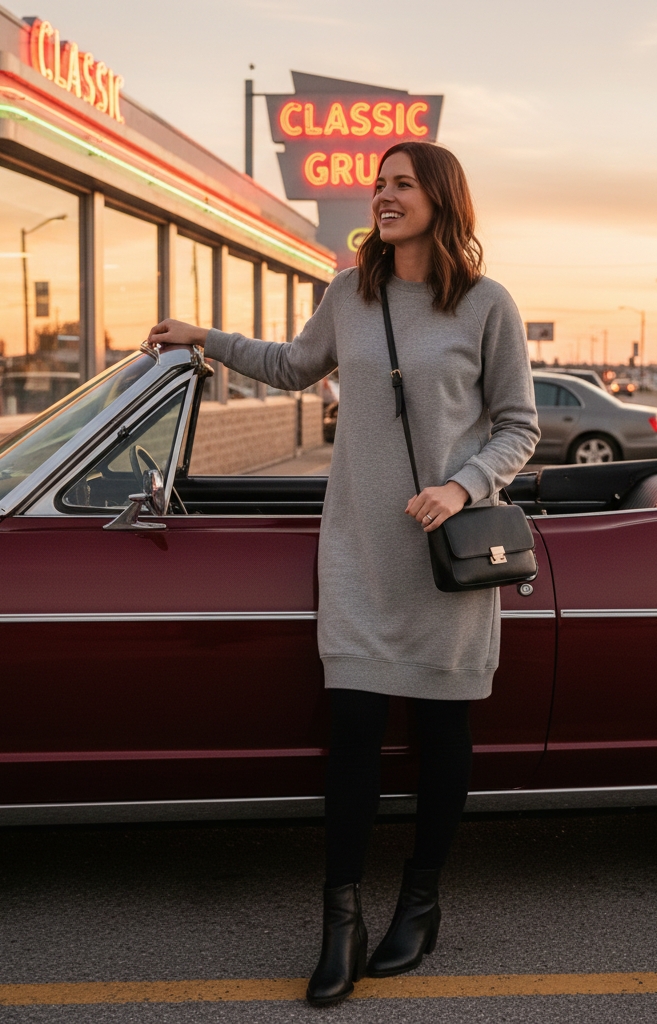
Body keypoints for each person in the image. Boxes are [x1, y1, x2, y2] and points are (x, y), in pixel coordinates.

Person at [147, 141, 539, 1007]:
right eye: (380, 183)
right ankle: (340, 917)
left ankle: (421, 900)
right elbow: (292, 366)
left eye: (402, 184)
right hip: (360, 553)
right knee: (353, 736)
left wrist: (459, 483)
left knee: (441, 740)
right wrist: (203, 335)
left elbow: (518, 425)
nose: (383, 195)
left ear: (442, 198)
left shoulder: (485, 305)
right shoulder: (349, 295)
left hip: (446, 560)